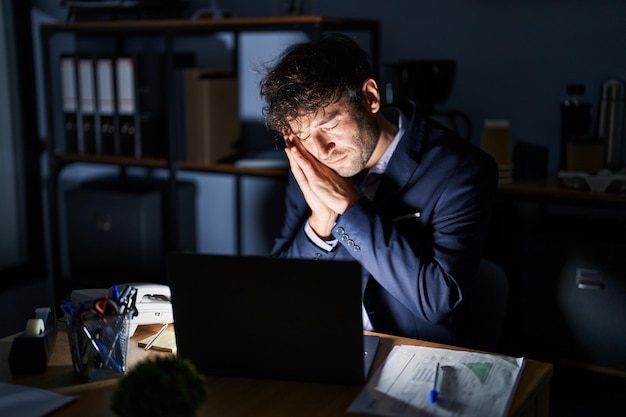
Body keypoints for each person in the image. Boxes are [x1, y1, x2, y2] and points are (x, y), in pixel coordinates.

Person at [259, 33, 498, 348]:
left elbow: (437, 300)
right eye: (304, 134)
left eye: (329, 125)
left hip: (420, 356)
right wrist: (320, 223)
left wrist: (349, 206)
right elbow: (281, 291)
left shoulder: (462, 170)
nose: (321, 149)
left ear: (370, 97)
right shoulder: (310, 164)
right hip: (329, 349)